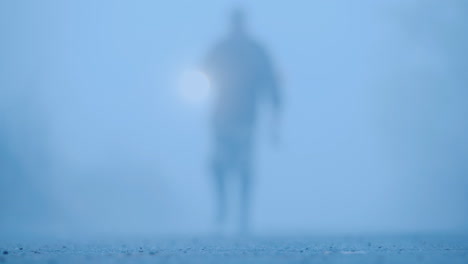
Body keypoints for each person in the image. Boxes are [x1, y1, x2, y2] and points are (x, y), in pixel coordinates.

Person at [203, 8, 282, 233]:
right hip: (220, 116)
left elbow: (271, 82)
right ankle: (222, 207)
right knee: (217, 164)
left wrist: (275, 119)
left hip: (246, 117)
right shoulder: (219, 49)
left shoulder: (256, 51)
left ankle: (243, 215)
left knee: (245, 166)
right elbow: (201, 72)